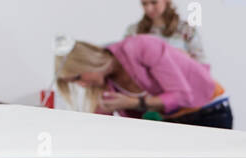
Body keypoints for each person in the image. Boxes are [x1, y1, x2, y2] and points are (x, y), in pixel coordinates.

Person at [55, 35, 231, 129]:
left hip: (209, 109)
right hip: (174, 122)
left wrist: (132, 103)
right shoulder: (106, 86)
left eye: (78, 77)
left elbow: (182, 95)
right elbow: (101, 128)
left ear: (87, 62)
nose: (82, 85)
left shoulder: (141, 47)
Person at [123, 0, 207, 63]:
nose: (149, 8)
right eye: (144, 3)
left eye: (154, 2)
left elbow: (202, 67)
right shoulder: (134, 32)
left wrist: (185, 58)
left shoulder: (186, 30)